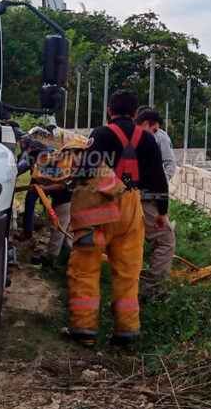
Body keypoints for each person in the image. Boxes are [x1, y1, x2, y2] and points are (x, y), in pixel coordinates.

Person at [63, 90, 169, 348]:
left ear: (109, 110)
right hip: (133, 210)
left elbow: (89, 167)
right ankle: (125, 332)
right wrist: (162, 212)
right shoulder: (147, 139)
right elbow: (158, 177)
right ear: (135, 114)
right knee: (127, 272)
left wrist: (111, 186)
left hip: (99, 211)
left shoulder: (100, 134)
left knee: (86, 268)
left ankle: (84, 330)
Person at [135, 109, 177, 299]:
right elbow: (161, 173)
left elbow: (168, 165)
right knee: (165, 241)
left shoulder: (112, 134)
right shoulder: (149, 140)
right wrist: (162, 208)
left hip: (119, 196)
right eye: (153, 129)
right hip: (145, 197)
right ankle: (153, 292)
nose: (155, 133)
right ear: (145, 124)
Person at [15, 131, 54, 241]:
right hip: (40, 176)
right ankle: (28, 231)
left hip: (49, 176)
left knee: (32, 200)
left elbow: (24, 165)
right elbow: (23, 166)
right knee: (30, 200)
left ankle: (28, 232)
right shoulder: (31, 151)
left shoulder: (37, 150)